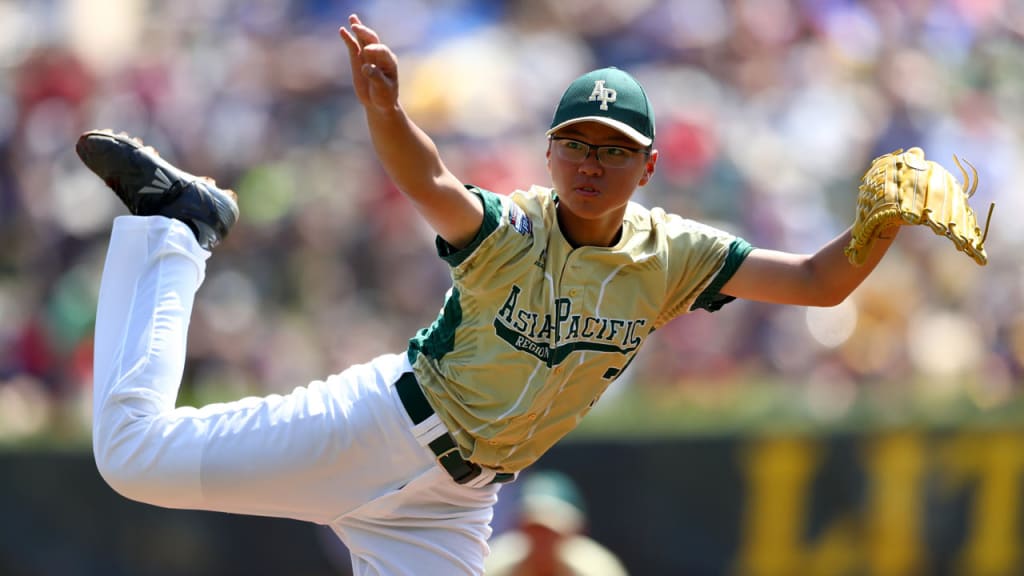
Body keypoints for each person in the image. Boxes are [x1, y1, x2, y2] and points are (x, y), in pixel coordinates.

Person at [84, 13, 910, 576]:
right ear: (549, 155)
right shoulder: (513, 230)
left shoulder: (674, 256)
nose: (592, 162)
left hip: (453, 506)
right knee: (129, 455)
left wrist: (886, 219)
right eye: (575, 144)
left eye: (614, 150)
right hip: (376, 429)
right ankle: (176, 226)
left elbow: (817, 281)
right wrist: (387, 114)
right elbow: (433, 182)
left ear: (649, 166)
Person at [485, 470, 629, 576]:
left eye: (550, 532)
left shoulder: (597, 569)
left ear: (575, 532)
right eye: (533, 529)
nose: (541, 539)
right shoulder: (494, 566)